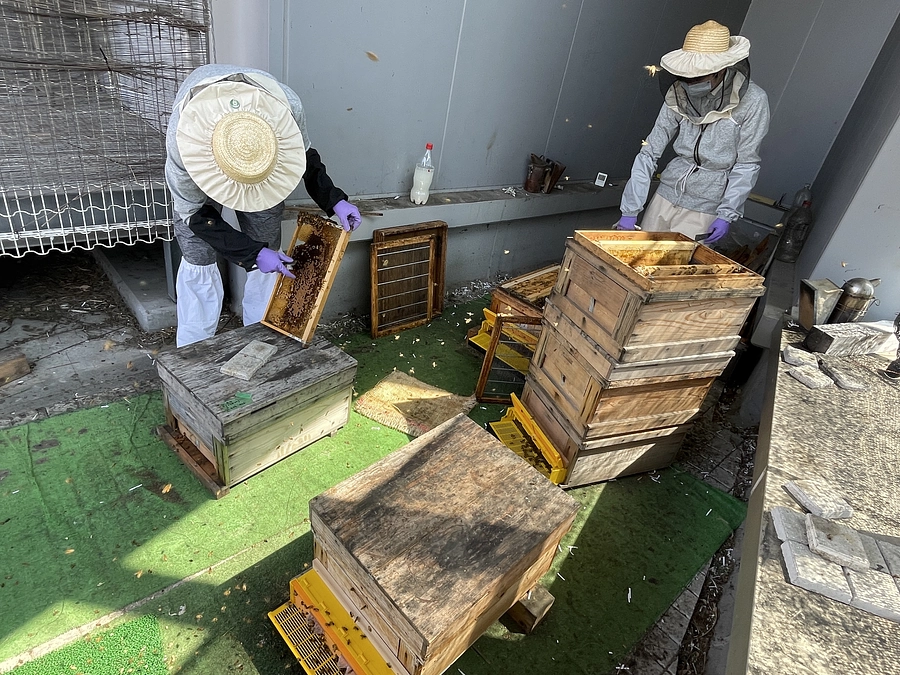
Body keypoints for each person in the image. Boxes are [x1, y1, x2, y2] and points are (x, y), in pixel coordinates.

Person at [165, 64, 361, 347]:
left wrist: (334, 200)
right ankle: (193, 349)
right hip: (200, 162)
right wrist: (252, 253)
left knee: (268, 248)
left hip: (264, 166)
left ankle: (262, 336)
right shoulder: (183, 145)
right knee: (198, 254)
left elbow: (304, 155)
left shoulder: (287, 107)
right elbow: (194, 215)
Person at [616, 20, 770, 245]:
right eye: (685, 76)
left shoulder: (753, 101)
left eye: (697, 77)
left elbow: (747, 164)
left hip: (706, 204)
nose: (689, 83)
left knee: (673, 274)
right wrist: (630, 209)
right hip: (666, 194)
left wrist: (726, 214)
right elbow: (650, 150)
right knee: (636, 259)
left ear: (721, 69)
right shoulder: (678, 93)